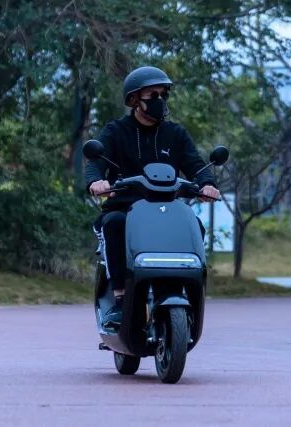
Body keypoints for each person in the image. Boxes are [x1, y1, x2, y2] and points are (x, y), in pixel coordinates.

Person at [85, 66, 220, 328]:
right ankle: (120, 300)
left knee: (195, 225)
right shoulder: (116, 131)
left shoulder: (176, 134)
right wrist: (96, 181)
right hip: (125, 209)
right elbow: (95, 163)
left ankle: (186, 290)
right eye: (153, 95)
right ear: (135, 99)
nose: (160, 100)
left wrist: (207, 184)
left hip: (167, 210)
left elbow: (195, 164)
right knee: (113, 223)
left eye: (163, 95)